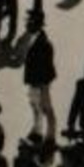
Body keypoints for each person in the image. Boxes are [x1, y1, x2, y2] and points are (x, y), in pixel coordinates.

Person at [22, 9, 58, 148]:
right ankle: (37, 130)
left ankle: (50, 136)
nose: (26, 24)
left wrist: (43, 86)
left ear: (37, 24)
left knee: (46, 109)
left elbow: (46, 67)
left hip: (41, 83)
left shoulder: (43, 43)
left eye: (29, 22)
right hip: (34, 82)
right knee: (36, 107)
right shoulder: (35, 38)